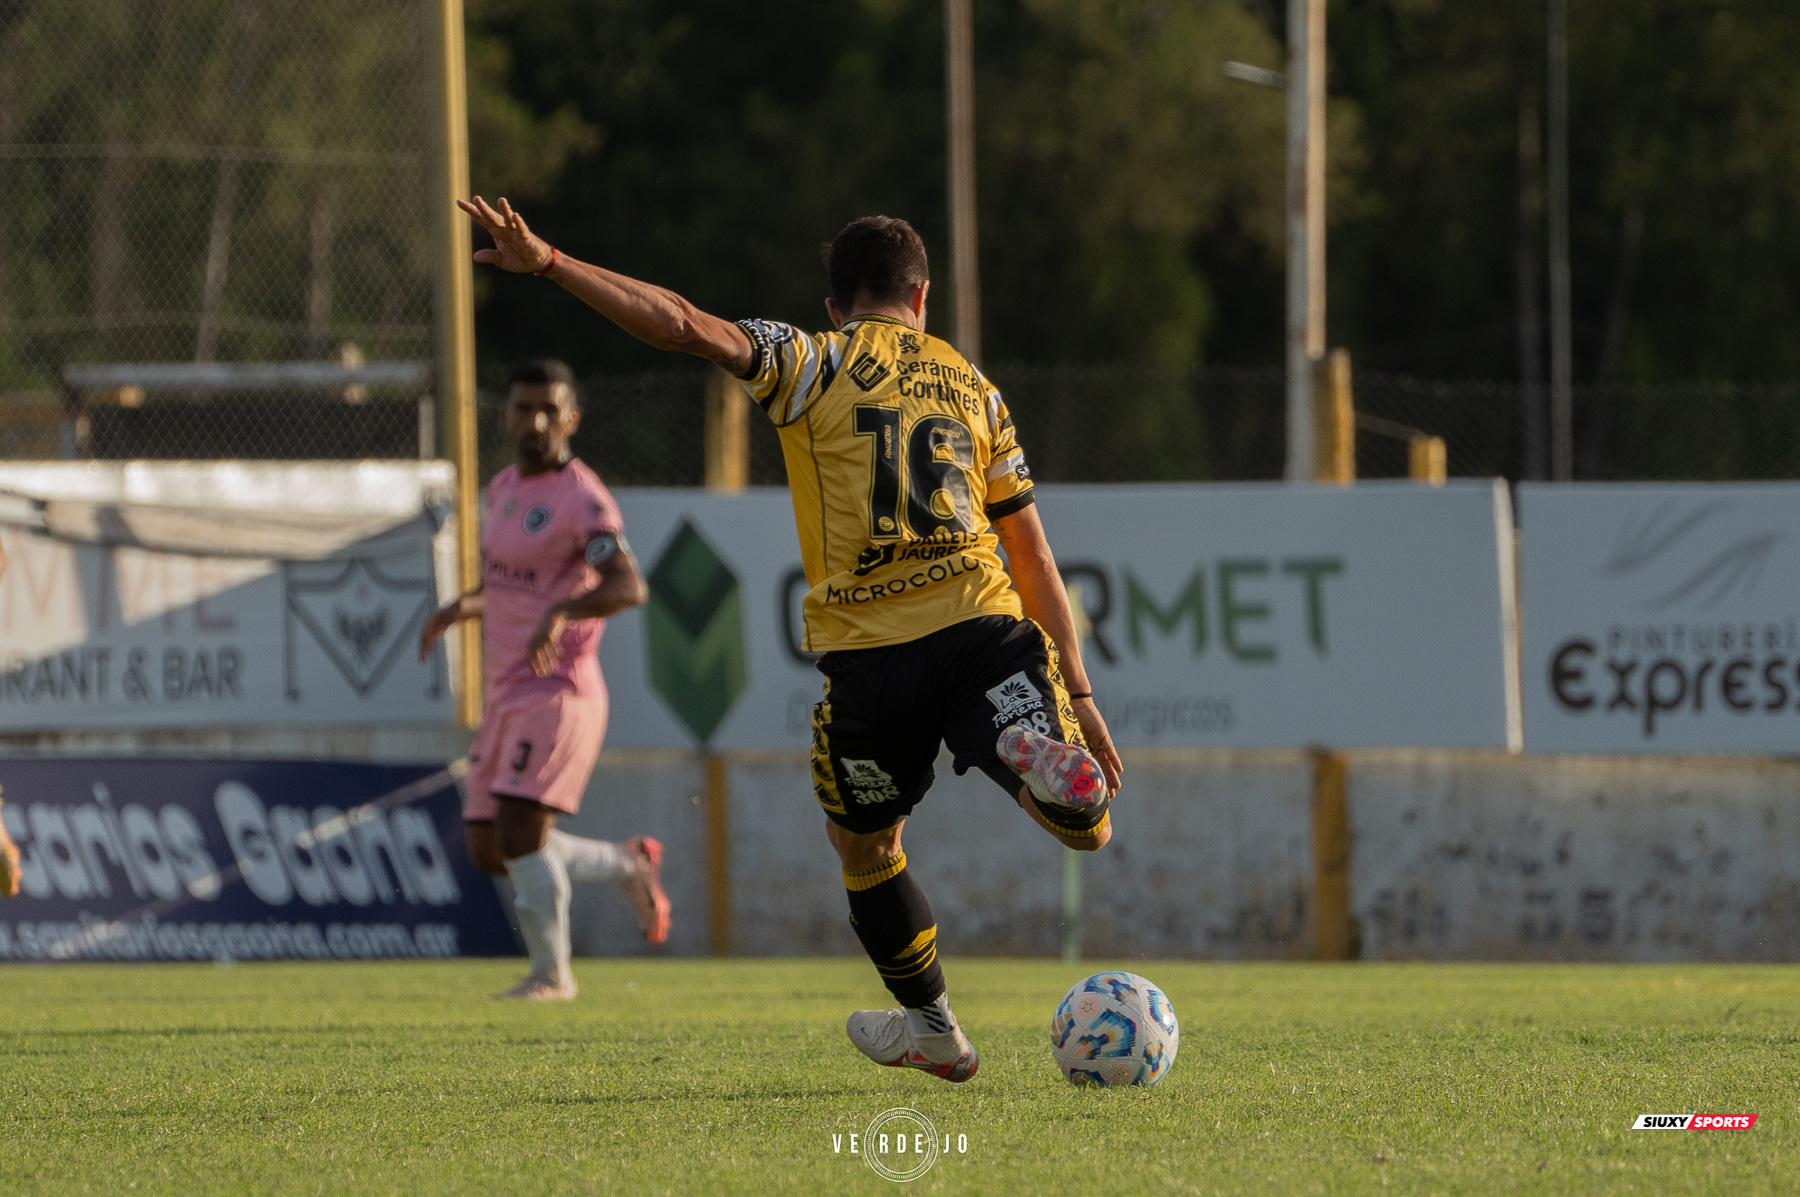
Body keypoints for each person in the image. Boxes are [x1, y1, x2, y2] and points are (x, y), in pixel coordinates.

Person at [457, 197, 1123, 1080]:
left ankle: (934, 1026)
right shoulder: (973, 386)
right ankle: (1026, 745)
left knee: (865, 849)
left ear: (835, 305)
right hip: (985, 625)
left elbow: (685, 325)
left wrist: (549, 262)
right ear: (922, 299)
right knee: (1090, 831)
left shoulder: (809, 359)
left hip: (872, 659)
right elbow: (1033, 555)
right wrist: (1077, 690)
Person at [419, 358, 671, 1001]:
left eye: (548, 410)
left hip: (558, 690)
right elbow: (510, 585)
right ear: (505, 417)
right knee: (488, 849)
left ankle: (551, 975)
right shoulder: (503, 486)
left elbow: (628, 585)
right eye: (523, 408)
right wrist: (460, 608)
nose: (535, 421)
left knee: (520, 834)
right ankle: (625, 863)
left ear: (571, 418)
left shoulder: (582, 499)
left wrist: (563, 612)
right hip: (507, 690)